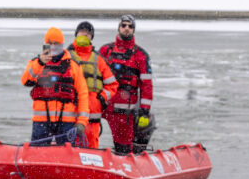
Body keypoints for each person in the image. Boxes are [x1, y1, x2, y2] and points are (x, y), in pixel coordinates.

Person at [21, 27, 89, 145]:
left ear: (62, 44)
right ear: (45, 45)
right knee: (37, 154)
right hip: (41, 121)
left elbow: (83, 95)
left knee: (67, 156)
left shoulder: (73, 66)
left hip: (66, 122)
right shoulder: (36, 63)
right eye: (49, 43)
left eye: (56, 43)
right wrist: (40, 62)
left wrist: (82, 122)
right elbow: (25, 80)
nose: (52, 47)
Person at [99, 15, 154, 154]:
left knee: (123, 148)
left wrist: (144, 111)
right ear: (119, 28)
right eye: (124, 25)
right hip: (102, 105)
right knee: (87, 135)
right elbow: (93, 77)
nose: (126, 29)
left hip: (124, 112)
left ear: (133, 30)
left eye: (130, 26)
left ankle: (125, 164)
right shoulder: (105, 50)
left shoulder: (141, 55)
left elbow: (146, 85)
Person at [67, 21, 119, 149]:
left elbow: (112, 84)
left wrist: (100, 99)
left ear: (92, 37)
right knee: (69, 148)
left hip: (93, 117)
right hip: (70, 115)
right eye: (82, 31)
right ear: (76, 34)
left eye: (88, 32)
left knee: (91, 150)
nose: (84, 34)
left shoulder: (99, 60)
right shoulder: (66, 56)